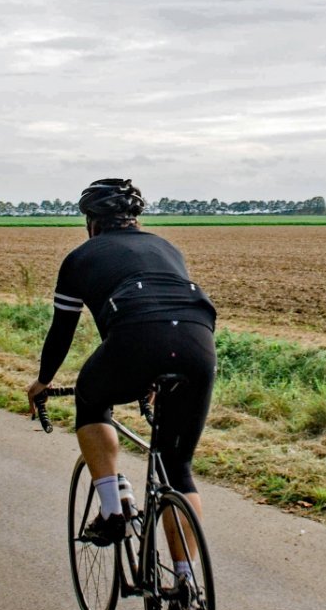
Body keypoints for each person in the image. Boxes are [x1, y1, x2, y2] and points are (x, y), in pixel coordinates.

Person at [26, 178, 217, 582]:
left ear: (91, 222)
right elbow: (165, 314)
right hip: (198, 343)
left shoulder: (81, 257)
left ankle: (113, 509)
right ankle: (185, 584)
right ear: (135, 219)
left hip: (135, 338)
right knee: (177, 466)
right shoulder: (167, 247)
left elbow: (62, 331)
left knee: (91, 401)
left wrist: (44, 381)